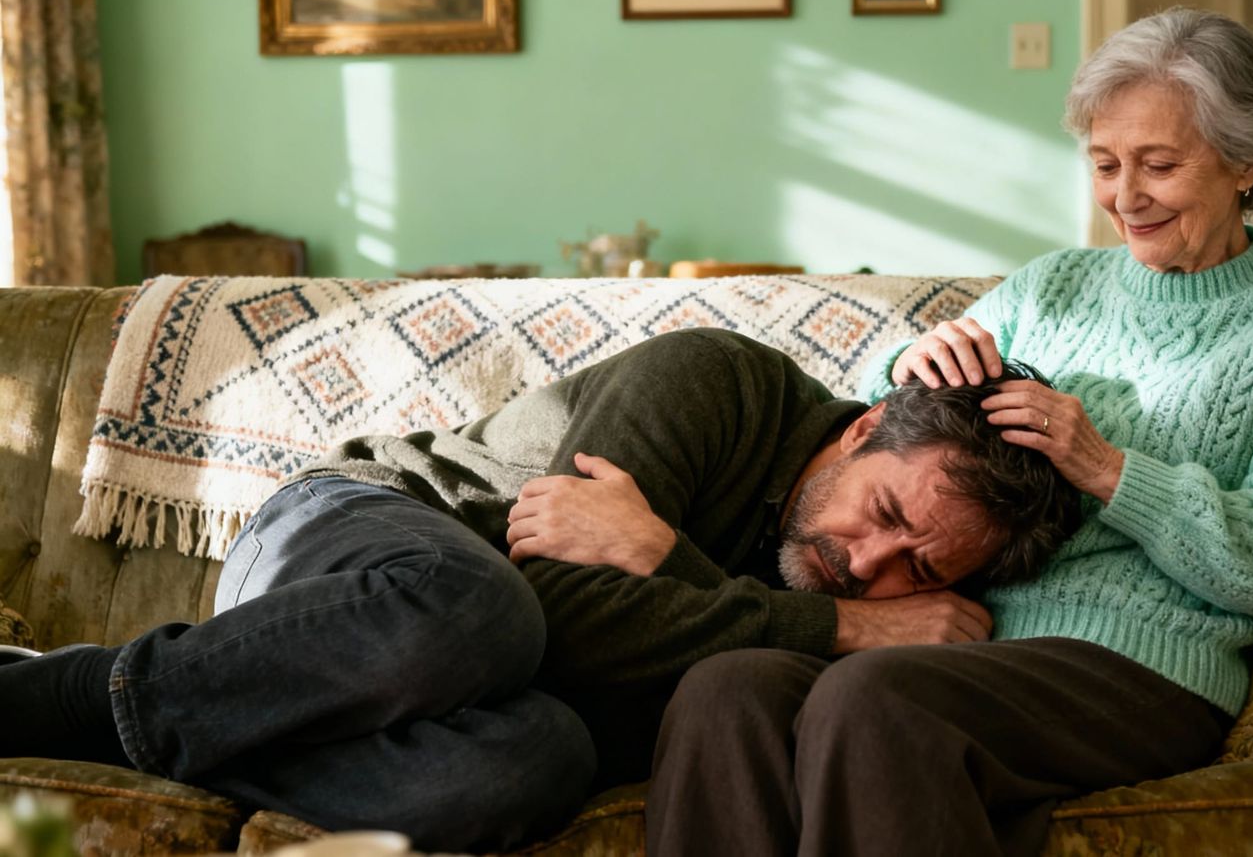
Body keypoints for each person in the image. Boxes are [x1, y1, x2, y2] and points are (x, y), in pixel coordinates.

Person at [646, 7, 1253, 857]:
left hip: (1143, 665)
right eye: (1106, 164)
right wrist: (910, 362)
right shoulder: (1053, 287)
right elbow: (868, 427)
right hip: (963, 645)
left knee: (876, 701)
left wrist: (1111, 472)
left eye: (1160, 165)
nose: (1125, 196)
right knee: (729, 685)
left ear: (1244, 162)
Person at [0, 328, 1077, 853]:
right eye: (883, 514)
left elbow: (621, 683)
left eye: (919, 574)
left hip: (431, 704)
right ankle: (61, 698)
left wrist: (666, 563)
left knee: (539, 761)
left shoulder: (864, 600)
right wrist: (842, 626)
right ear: (856, 432)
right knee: (489, 612)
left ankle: (237, 731)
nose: (872, 566)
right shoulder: (718, 383)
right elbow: (563, 607)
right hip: (366, 547)